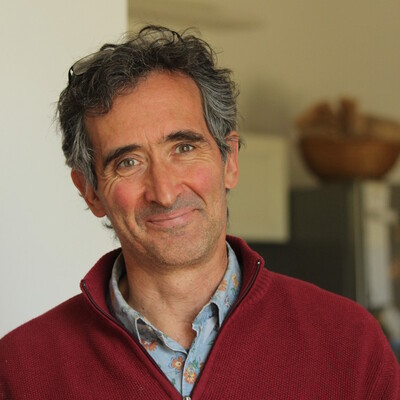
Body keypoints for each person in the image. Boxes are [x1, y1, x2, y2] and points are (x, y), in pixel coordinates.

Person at [0, 25, 399, 400]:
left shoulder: (350, 343)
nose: (165, 192)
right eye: (128, 162)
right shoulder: (20, 370)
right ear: (91, 192)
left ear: (230, 161)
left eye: (184, 148)